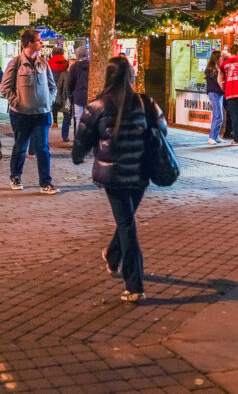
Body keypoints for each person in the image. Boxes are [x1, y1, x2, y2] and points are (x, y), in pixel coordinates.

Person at [72, 56, 166, 303]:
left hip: (113, 176)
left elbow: (83, 139)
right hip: (140, 172)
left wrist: (78, 155)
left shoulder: (98, 106)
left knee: (126, 224)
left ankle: (134, 285)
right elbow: (162, 129)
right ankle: (113, 257)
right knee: (126, 221)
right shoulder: (145, 103)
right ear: (129, 77)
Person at [0, 28, 58, 194]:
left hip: (42, 113)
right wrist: (17, 102)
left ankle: (46, 183)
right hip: (21, 114)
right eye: (39, 41)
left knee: (43, 148)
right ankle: (15, 177)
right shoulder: (15, 63)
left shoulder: (43, 63)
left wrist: (48, 101)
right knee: (20, 147)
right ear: (30, 43)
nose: (41, 43)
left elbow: (52, 86)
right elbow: (4, 87)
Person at [67, 47, 90, 138]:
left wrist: (70, 95)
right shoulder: (91, 65)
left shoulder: (74, 67)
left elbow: (70, 83)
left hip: (78, 96)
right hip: (89, 95)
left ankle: (79, 140)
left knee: (78, 119)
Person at [204, 50, 226, 145]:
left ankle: (215, 136)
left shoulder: (216, 68)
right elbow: (216, 83)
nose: (222, 57)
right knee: (218, 116)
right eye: (221, 56)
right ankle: (212, 137)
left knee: (217, 116)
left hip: (218, 94)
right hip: (214, 93)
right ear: (217, 58)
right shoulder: (213, 69)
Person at [48, 47, 70, 129]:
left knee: (54, 102)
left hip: (53, 84)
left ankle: (55, 122)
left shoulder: (49, 62)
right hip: (64, 85)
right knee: (65, 101)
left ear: (53, 53)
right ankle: (66, 120)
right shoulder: (66, 62)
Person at [54, 54, 73, 142]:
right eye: (71, 64)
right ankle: (65, 136)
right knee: (67, 118)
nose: (72, 66)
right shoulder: (64, 73)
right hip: (67, 99)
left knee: (75, 118)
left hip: (75, 98)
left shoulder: (77, 74)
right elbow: (59, 87)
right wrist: (58, 99)